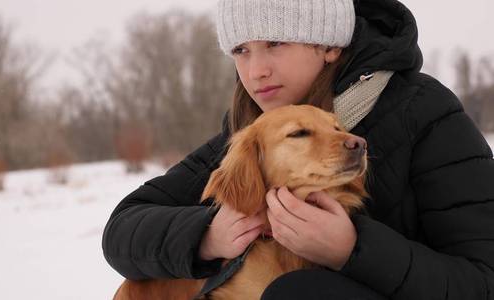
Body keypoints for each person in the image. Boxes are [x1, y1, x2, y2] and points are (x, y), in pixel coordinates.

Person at [102, 0, 494, 298]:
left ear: (330, 45)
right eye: (241, 50)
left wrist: (353, 249)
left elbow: (484, 279)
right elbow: (123, 232)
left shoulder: (423, 112)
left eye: (275, 43)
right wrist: (206, 236)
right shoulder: (251, 132)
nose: (256, 71)